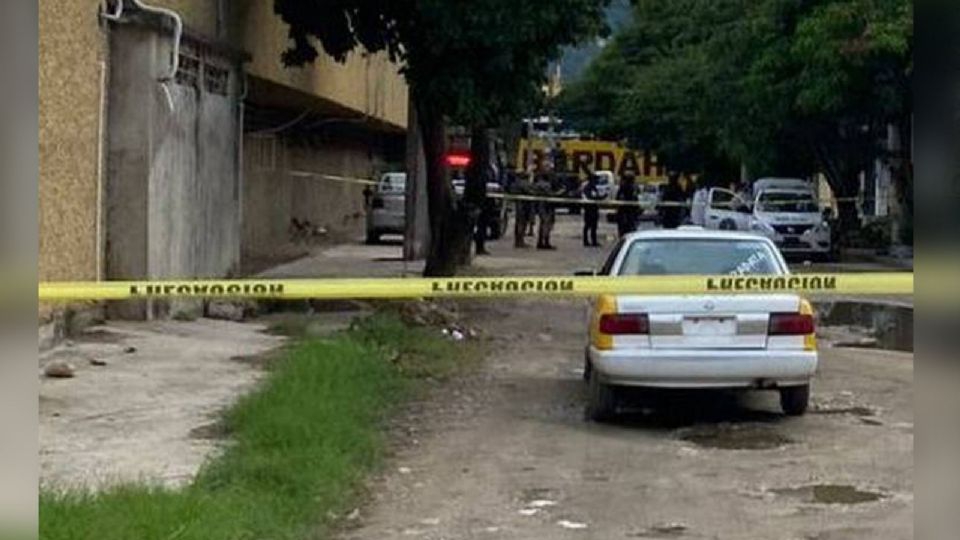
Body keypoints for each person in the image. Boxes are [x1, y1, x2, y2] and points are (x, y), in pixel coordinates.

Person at [534, 173, 561, 250]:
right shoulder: (546, 185)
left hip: (540, 205)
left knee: (542, 223)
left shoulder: (537, 184)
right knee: (547, 224)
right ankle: (545, 242)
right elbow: (550, 195)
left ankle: (540, 241)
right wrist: (559, 193)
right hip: (547, 206)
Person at [581, 174, 603, 247]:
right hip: (589, 209)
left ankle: (594, 241)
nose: (597, 181)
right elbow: (589, 197)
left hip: (594, 209)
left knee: (594, 226)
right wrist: (596, 198)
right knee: (587, 225)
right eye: (595, 180)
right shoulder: (588, 187)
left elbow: (596, 196)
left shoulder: (594, 187)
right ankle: (586, 241)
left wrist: (602, 197)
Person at [615, 173, 640, 237]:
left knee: (627, 230)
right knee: (626, 230)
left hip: (629, 212)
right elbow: (619, 199)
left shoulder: (633, 188)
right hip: (625, 212)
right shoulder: (624, 188)